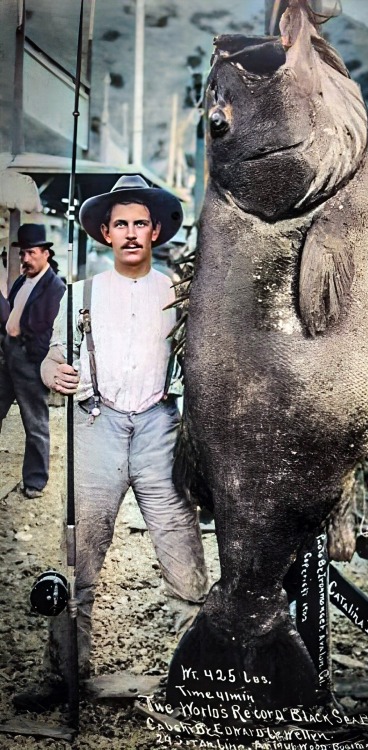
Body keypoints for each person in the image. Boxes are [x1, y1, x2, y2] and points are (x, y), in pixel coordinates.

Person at [15, 175, 209, 711]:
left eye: (139, 224)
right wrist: (57, 373)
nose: (129, 233)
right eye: (120, 223)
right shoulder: (80, 292)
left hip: (158, 426)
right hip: (96, 424)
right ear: (105, 231)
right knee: (80, 552)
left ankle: (200, 675)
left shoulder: (177, 292)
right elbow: (52, 355)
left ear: (154, 232)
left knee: (181, 547)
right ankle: (64, 675)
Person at [0, 224, 65, 498]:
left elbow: (47, 331)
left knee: (35, 423)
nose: (25, 259)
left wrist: (33, 360)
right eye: (22, 253)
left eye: (31, 253)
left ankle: (35, 481)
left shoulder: (55, 287)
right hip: (8, 357)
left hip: (31, 361)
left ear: (45, 254)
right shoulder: (21, 281)